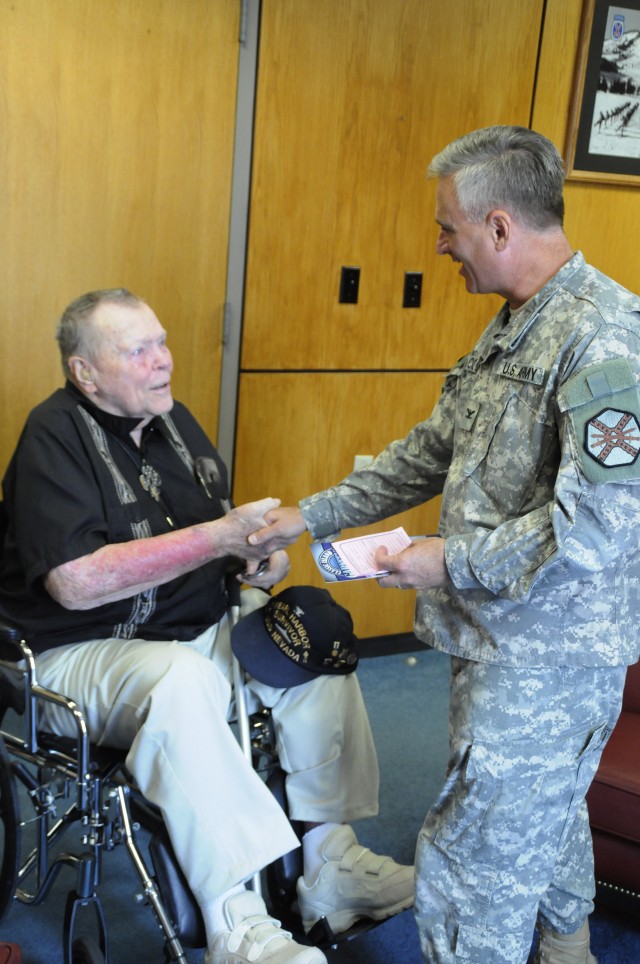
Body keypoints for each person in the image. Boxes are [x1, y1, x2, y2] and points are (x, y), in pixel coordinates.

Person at [247, 125, 640, 964]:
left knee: (471, 860)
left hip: (549, 656)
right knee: (544, 813)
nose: (440, 245)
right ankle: (568, 950)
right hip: (498, 636)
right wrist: (311, 515)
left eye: (448, 227)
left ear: (499, 227)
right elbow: (433, 451)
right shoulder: (514, 326)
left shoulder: (605, 339)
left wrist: (445, 559)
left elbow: (596, 530)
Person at [0, 289, 413, 964]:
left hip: (193, 625)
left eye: (161, 342)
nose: (163, 360)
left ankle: (329, 862)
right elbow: (74, 583)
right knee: (181, 679)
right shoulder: (53, 438)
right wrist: (217, 538)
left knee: (310, 632)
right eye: (139, 350)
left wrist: (256, 557)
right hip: (78, 652)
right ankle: (235, 921)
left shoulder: (173, 424)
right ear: (86, 373)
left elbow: (218, 534)